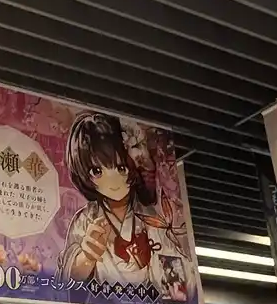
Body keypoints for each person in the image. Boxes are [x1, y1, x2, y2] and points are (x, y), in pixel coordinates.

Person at [59, 113, 187, 292]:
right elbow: (68, 276)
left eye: (121, 168)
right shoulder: (86, 219)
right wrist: (86, 257)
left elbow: (175, 277)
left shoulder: (152, 216)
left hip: (151, 303)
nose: (113, 181)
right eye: (97, 171)